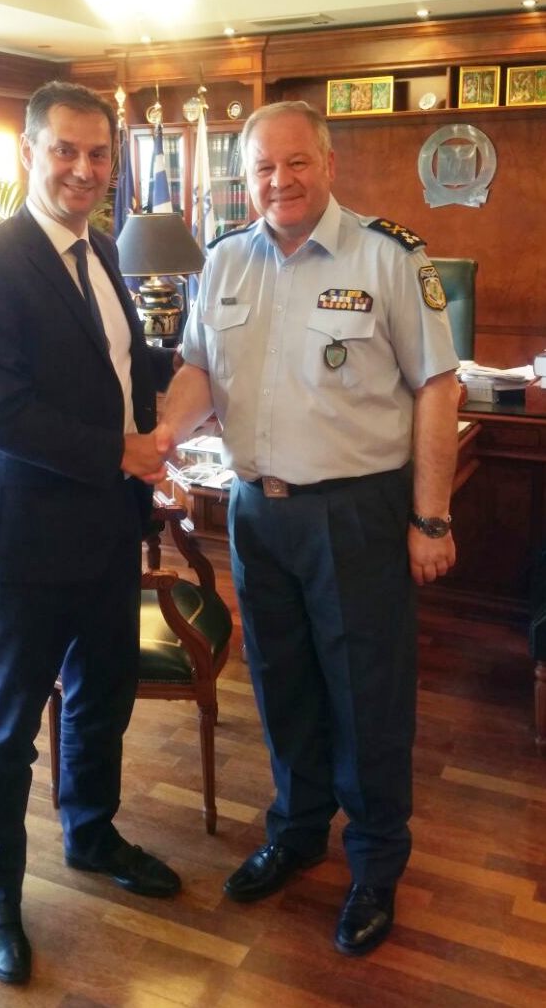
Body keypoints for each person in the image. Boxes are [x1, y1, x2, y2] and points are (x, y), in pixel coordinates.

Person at [159, 100, 460, 956]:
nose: (280, 181)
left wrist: (431, 517)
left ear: (328, 164)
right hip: (257, 513)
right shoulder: (223, 261)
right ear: (245, 176)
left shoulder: (388, 256)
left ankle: (375, 863)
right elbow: (197, 368)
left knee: (367, 696)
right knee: (281, 683)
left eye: (296, 163)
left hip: (356, 513)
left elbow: (438, 385)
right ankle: (296, 832)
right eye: (263, 167)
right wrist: (161, 436)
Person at [0, 80, 179, 986]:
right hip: (29, 544)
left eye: (98, 153)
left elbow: (118, 367)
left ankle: (90, 833)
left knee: (103, 694)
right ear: (29, 153)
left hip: (110, 529)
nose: (84, 168)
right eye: (65, 150)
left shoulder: (102, 249)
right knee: (7, 729)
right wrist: (123, 452)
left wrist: (186, 391)